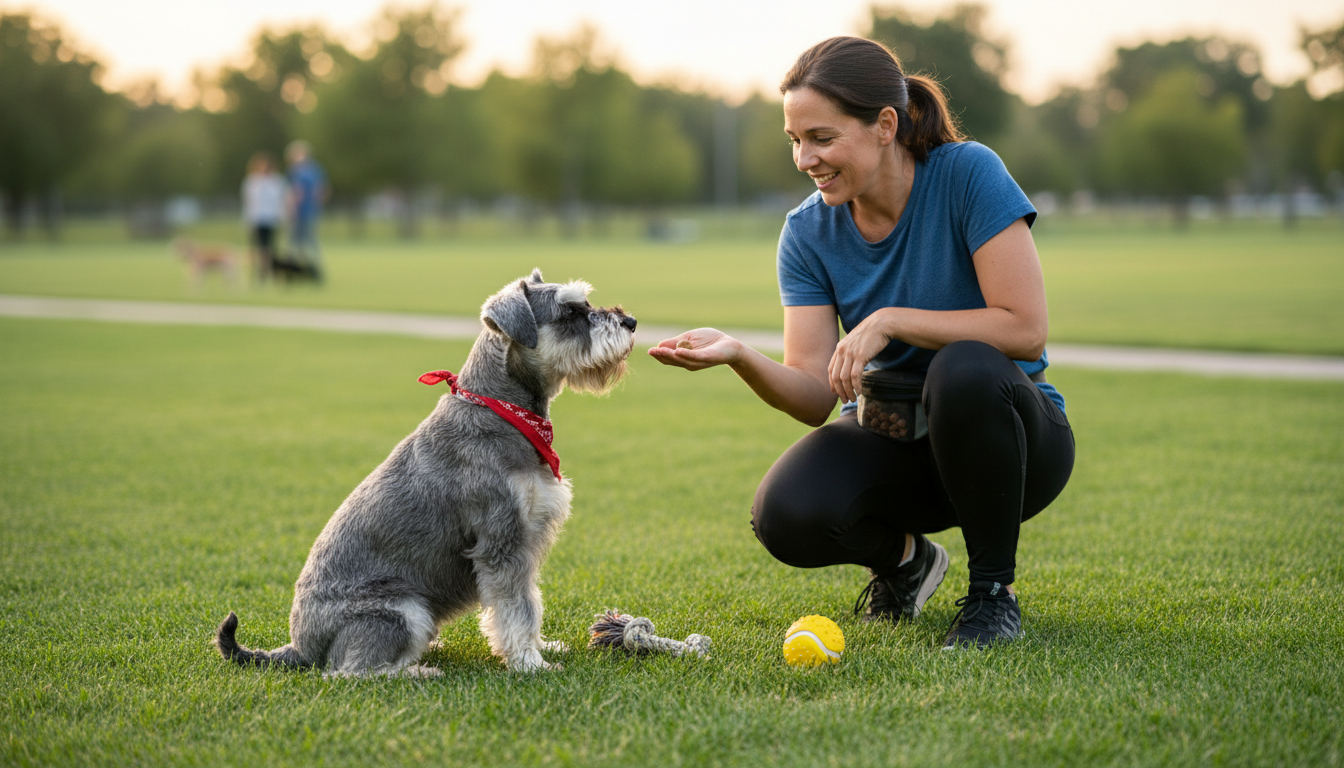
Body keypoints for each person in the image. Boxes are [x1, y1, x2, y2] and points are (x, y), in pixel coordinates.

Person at [650, 36, 1074, 649]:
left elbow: (1023, 326)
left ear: (884, 125)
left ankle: (991, 595)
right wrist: (740, 354)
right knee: (785, 512)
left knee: (963, 369)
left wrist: (892, 318)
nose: (804, 159)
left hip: (1015, 447)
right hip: (899, 442)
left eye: (821, 138)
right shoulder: (806, 232)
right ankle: (907, 564)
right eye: (794, 140)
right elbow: (813, 393)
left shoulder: (968, 173)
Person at [285, 140, 328, 279]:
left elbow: (297, 193)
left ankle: (296, 271)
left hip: (301, 212)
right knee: (310, 241)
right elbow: (322, 191)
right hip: (312, 211)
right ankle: (313, 270)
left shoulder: (297, 171)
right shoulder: (316, 169)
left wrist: (292, 209)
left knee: (296, 243)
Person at [241, 151, 287, 282]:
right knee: (258, 248)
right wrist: (248, 219)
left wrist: (282, 216)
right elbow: (249, 202)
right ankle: (258, 275)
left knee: (271, 248)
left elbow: (280, 200)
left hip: (272, 218)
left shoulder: (277, 181)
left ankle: (273, 273)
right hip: (257, 218)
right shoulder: (251, 182)